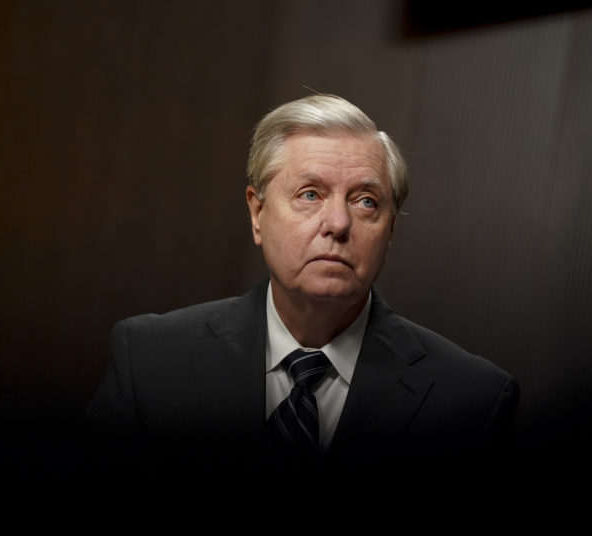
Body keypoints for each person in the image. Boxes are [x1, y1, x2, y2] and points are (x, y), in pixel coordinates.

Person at [84, 94, 519, 473]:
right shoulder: (150, 361)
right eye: (309, 194)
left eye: (366, 201)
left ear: (390, 231)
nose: (337, 223)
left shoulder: (471, 401)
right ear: (257, 214)